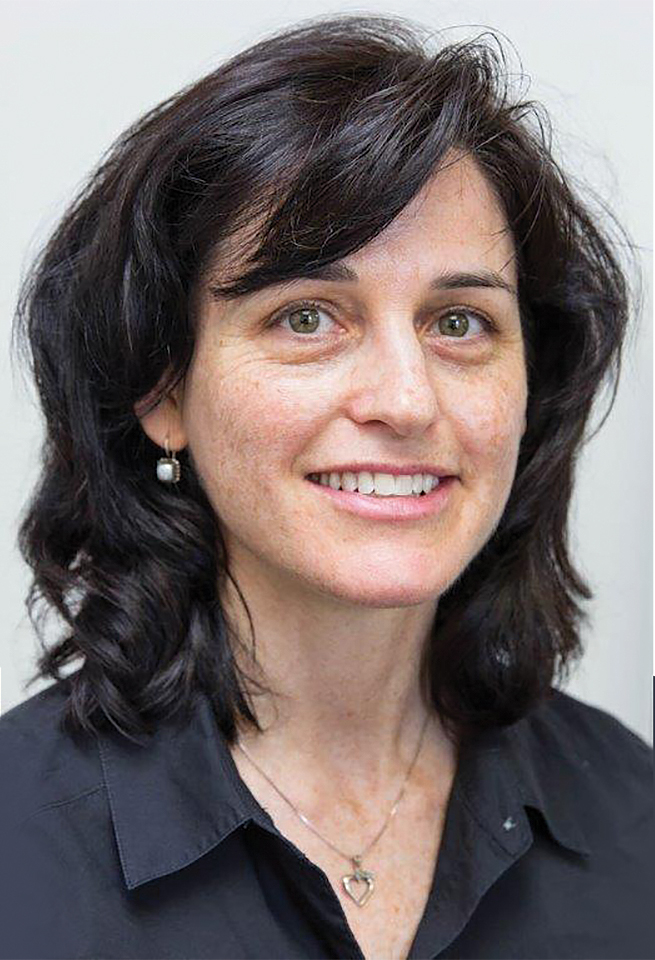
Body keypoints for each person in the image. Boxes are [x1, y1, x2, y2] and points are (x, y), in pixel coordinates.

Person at [0, 13, 652, 960]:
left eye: (459, 323)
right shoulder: (18, 845)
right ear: (162, 389)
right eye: (307, 317)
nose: (405, 400)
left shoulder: (632, 820)